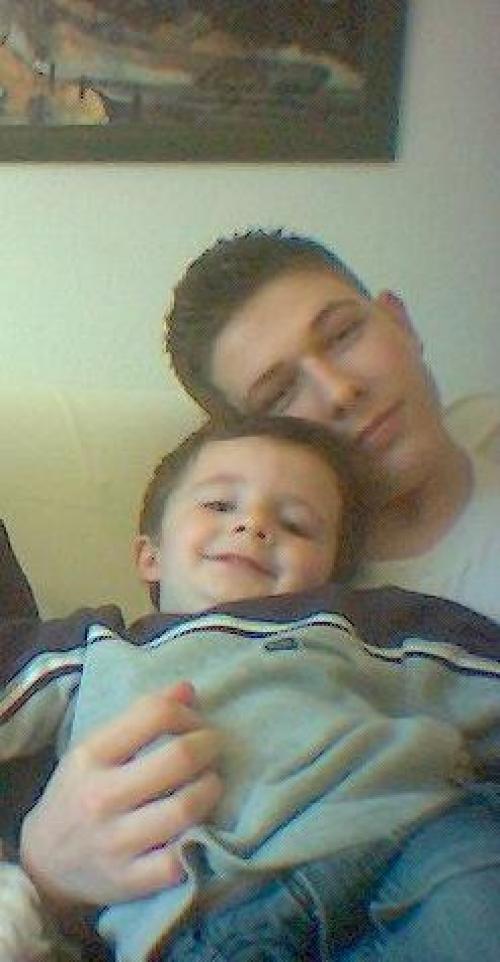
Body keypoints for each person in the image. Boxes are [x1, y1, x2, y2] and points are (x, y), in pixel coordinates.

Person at [17, 227, 500, 950]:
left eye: (343, 334)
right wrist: (44, 874)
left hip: (422, 851)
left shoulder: (389, 629)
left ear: (397, 319)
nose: (340, 391)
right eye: (281, 391)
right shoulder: (110, 646)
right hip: (219, 902)